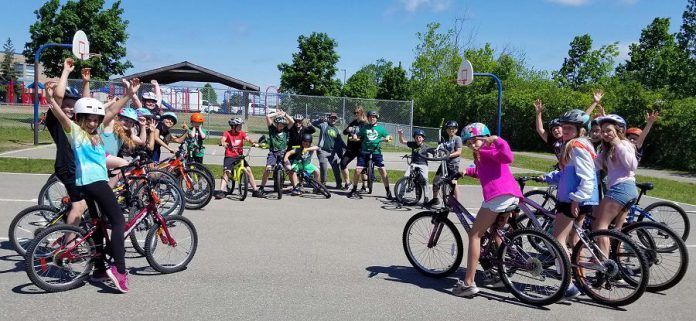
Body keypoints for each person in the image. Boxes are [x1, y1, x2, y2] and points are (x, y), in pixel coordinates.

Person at [47, 74, 137, 293]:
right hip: (95, 183)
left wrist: (128, 95)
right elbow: (61, 117)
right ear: (80, 119)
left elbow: (111, 113)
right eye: (89, 119)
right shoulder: (76, 132)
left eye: (96, 119)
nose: (93, 122)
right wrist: (50, 98)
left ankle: (98, 269)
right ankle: (120, 270)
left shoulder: (95, 136)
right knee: (118, 222)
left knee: (97, 224)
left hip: (88, 184)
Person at [452, 123, 523, 298]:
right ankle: (501, 274)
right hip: (511, 195)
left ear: (486, 137)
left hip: (499, 196)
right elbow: (483, 171)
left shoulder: (489, 151)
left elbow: (508, 157)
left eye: (476, 140)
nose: (473, 145)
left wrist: (497, 140)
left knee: (474, 235)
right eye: (469, 143)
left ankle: (468, 283)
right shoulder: (482, 155)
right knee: (495, 231)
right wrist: (465, 172)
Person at [541, 109, 599, 301]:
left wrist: (576, 199)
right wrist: (547, 177)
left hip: (571, 200)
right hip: (576, 199)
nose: (564, 131)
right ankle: (580, 280)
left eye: (569, 128)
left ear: (580, 129)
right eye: (563, 127)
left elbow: (587, 177)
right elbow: (567, 174)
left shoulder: (576, 146)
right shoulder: (576, 145)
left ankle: (568, 285)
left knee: (557, 240)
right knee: (574, 241)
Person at [592, 114, 638, 256]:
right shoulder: (607, 149)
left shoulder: (623, 145)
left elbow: (632, 165)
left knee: (600, 226)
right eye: (603, 131)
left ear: (618, 130)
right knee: (616, 230)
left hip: (621, 188)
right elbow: (593, 165)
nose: (605, 134)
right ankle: (615, 260)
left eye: (609, 130)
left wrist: (618, 142)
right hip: (625, 190)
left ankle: (604, 265)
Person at [347, 110, 393, 200]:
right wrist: (355, 137)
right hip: (364, 152)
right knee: (357, 171)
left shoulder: (381, 129)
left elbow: (388, 136)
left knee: (383, 171)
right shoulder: (364, 128)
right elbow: (357, 135)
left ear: (376, 118)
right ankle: (354, 190)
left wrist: (388, 138)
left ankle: (388, 191)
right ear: (368, 118)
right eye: (370, 117)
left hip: (376, 152)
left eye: (374, 117)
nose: (372, 118)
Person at [215, 117, 262, 199]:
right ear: (233, 126)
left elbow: (248, 139)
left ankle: (255, 190)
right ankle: (221, 191)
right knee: (227, 172)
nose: (240, 127)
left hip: (239, 156)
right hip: (230, 156)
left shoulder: (241, 133)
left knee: (248, 170)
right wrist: (223, 143)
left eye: (240, 125)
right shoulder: (227, 133)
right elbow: (223, 139)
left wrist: (253, 143)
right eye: (239, 126)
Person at [425, 120, 462, 207]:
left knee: (453, 182)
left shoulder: (457, 139)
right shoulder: (445, 141)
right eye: (449, 129)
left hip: (453, 164)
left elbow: (459, 152)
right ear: (446, 130)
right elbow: (441, 152)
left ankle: (457, 204)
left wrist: (448, 156)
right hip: (444, 164)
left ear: (456, 130)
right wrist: (438, 151)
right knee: (436, 180)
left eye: (453, 129)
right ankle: (435, 199)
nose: (451, 130)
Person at [259, 110, 294, 195]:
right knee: (268, 169)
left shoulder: (285, 131)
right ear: (276, 124)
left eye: (282, 125)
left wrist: (285, 114)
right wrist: (277, 114)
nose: (280, 126)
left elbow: (292, 121)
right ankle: (262, 187)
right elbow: (267, 117)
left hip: (283, 153)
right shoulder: (272, 129)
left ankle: (295, 187)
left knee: (290, 169)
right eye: (278, 124)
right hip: (273, 153)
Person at [397, 128, 430, 204]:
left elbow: (434, 153)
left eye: (420, 137)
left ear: (423, 138)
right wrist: (400, 134)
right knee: (405, 177)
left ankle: (426, 197)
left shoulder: (426, 147)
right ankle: (400, 195)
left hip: (423, 164)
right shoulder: (413, 144)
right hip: (413, 163)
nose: (418, 139)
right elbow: (402, 141)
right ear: (414, 138)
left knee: (425, 179)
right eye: (416, 137)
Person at [313, 112, 345, 189]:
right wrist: (319, 120)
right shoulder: (324, 125)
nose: (333, 119)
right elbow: (313, 123)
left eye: (334, 118)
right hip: (323, 151)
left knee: (336, 168)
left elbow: (340, 141)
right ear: (329, 118)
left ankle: (339, 184)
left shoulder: (337, 130)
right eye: (332, 118)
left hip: (333, 152)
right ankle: (323, 185)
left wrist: (346, 147)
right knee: (323, 168)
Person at [341, 106, 367, 191]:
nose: (355, 114)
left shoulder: (365, 124)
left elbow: (366, 136)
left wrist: (358, 138)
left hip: (361, 148)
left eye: (357, 113)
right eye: (354, 113)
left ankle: (364, 186)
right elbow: (344, 132)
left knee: (362, 168)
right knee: (343, 163)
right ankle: (347, 183)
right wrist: (348, 130)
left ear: (361, 113)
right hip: (351, 148)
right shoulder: (353, 122)